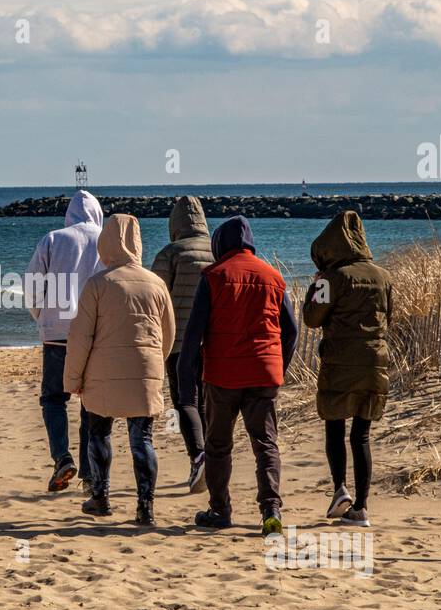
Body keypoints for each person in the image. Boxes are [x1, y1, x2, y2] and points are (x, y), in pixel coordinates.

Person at [177, 215, 298, 536]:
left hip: (223, 375)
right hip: (264, 373)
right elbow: (292, 330)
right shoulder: (273, 277)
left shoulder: (214, 276)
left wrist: (185, 377)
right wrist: (278, 366)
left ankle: (220, 509)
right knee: (266, 444)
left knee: (218, 445)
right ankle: (271, 509)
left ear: (220, 244)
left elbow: (193, 335)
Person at [64, 214, 174, 526]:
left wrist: (73, 378)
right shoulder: (156, 284)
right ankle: (145, 507)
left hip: (102, 375)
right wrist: (155, 366)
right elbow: (168, 334)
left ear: (106, 244)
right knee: (143, 440)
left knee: (99, 432)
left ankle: (100, 496)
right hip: (145, 371)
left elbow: (80, 336)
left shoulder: (97, 285)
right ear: (138, 244)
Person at [302, 210, 392, 528]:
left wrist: (314, 288)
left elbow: (312, 318)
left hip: (340, 364)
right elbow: (387, 319)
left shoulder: (330, 278)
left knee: (334, 426)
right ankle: (362, 508)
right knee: (362, 436)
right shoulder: (382, 276)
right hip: (375, 363)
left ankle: (340, 489)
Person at [25, 189, 104, 494]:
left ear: (69, 215)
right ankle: (88, 474)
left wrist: (42, 316)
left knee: (54, 398)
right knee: (91, 403)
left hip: (57, 334)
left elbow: (32, 283)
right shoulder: (105, 239)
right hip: (95, 334)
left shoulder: (53, 239)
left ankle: (62, 457)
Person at [150, 195, 213, 493]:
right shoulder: (219, 251)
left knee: (185, 400)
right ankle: (210, 456)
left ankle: (198, 456)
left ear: (174, 224)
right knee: (207, 401)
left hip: (178, 342)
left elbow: (154, 299)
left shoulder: (170, 253)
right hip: (213, 341)